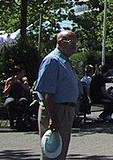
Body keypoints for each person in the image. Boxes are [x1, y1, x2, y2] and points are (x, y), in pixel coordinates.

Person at [37, 30, 80, 160]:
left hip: (66, 110)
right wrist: (53, 118)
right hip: (57, 110)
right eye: (71, 42)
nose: (74, 46)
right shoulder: (52, 61)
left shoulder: (65, 61)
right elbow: (47, 93)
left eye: (76, 43)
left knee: (60, 152)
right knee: (52, 152)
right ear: (60, 42)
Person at [3, 65, 33, 130]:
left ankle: (19, 120)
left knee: (24, 101)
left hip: (21, 97)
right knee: (10, 102)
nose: (24, 74)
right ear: (18, 73)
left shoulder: (24, 80)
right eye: (23, 72)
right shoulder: (10, 80)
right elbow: (5, 93)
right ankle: (11, 121)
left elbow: (28, 89)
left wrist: (23, 84)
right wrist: (10, 85)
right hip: (11, 97)